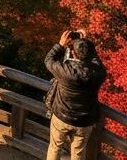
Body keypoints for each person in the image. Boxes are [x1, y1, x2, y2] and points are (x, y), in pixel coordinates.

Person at [44, 30, 107, 160]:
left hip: (62, 115)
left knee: (55, 148)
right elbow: (96, 61)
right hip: (85, 120)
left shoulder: (65, 71)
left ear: (73, 53)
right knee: (78, 153)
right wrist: (86, 45)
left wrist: (60, 45)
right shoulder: (98, 74)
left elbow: (49, 60)